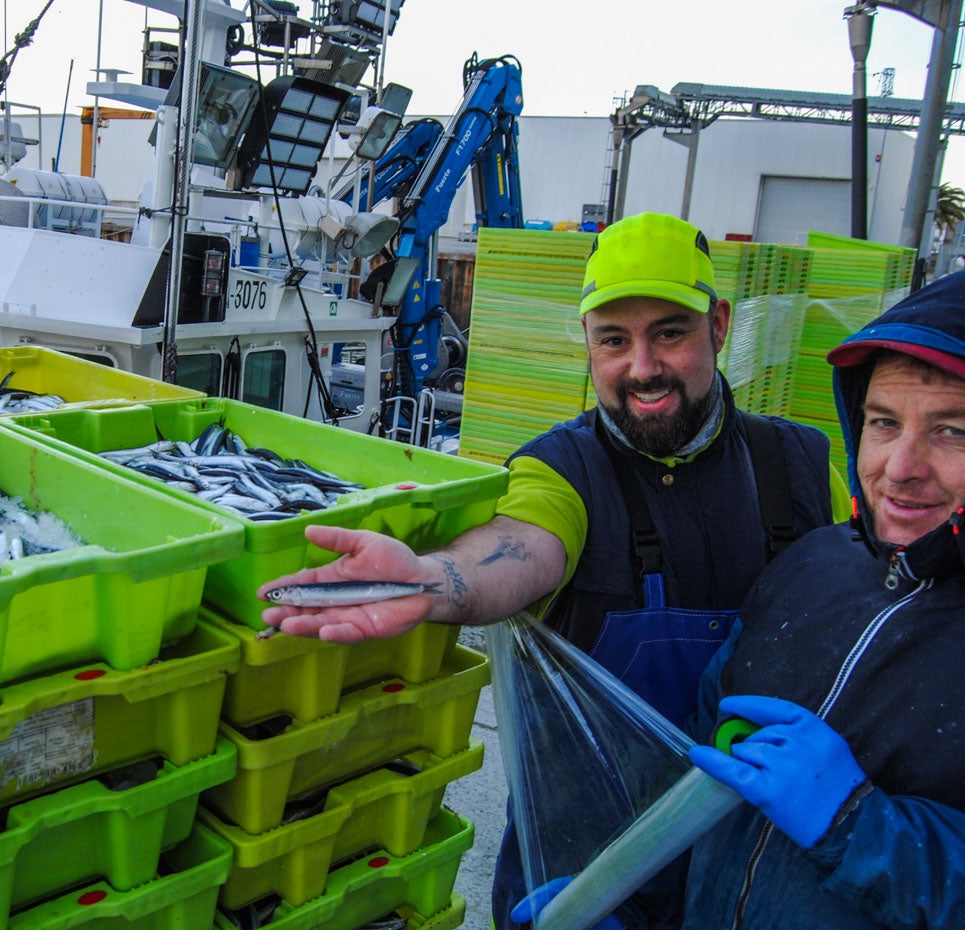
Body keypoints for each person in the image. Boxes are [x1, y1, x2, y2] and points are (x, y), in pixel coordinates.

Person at [257, 212, 849, 929]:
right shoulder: (560, 470)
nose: (642, 367)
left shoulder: (800, 467)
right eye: (613, 340)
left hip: (751, 874)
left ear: (717, 325)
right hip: (583, 877)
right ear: (588, 346)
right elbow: (521, 542)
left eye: (669, 333)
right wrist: (432, 579)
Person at [670, 270, 965, 928]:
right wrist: (627, 902)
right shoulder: (811, 562)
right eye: (882, 422)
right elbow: (697, 779)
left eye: (951, 432)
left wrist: (858, 824)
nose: (899, 467)